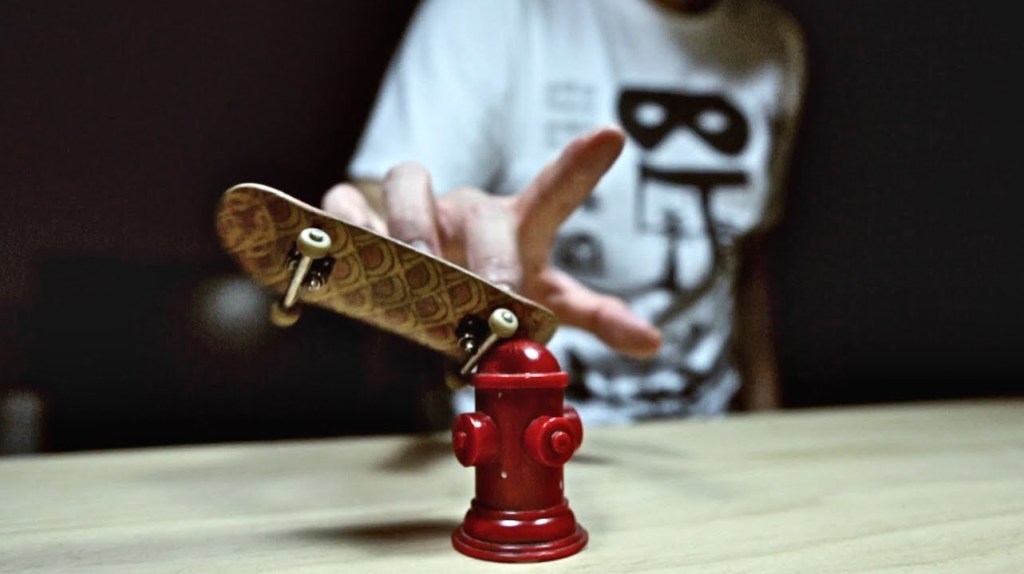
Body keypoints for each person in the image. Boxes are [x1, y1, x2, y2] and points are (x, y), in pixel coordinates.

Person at [322, 0, 807, 425]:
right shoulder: (495, 13)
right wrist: (428, 246)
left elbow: (744, 264)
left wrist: (766, 430)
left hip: (708, 436)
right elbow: (381, 208)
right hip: (514, 438)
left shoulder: (772, 42)